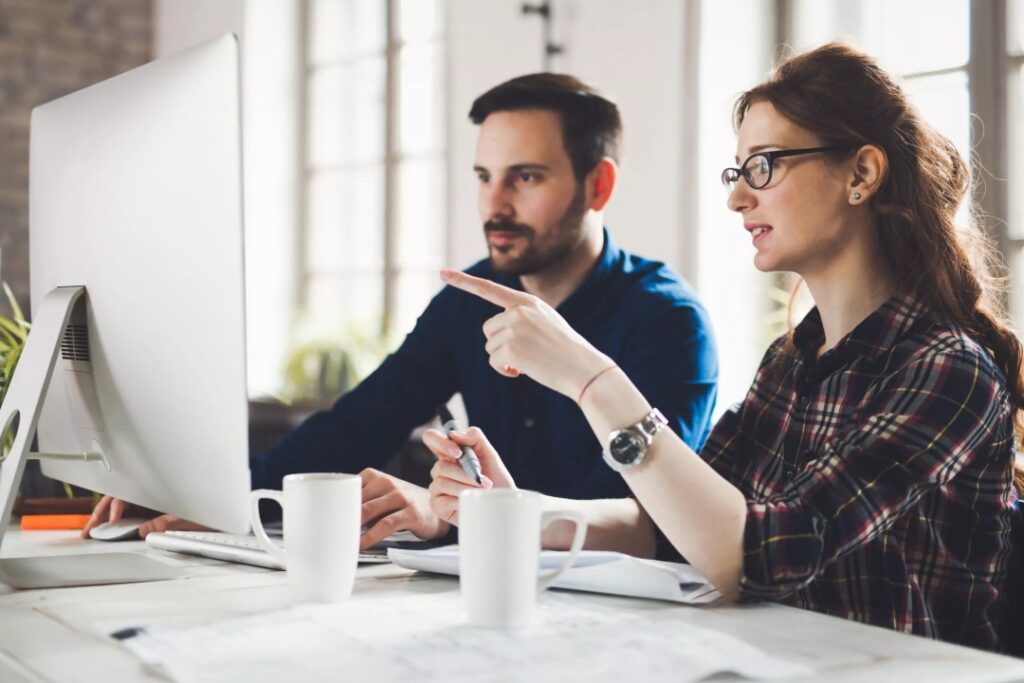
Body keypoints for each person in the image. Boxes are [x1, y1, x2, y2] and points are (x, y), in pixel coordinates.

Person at [425, 43, 1020, 652]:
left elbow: (757, 556)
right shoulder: (791, 363)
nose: (738, 198)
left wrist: (592, 378)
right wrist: (515, 512)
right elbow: (677, 526)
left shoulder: (949, 370)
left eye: (764, 166)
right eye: (738, 173)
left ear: (861, 174)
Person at [82, 73, 719, 552]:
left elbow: (648, 520)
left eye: (523, 178)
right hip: (479, 593)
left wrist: (450, 514)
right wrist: (221, 502)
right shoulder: (468, 300)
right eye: (482, 175)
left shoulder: (668, 323)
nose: (493, 204)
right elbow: (358, 422)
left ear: (598, 185)